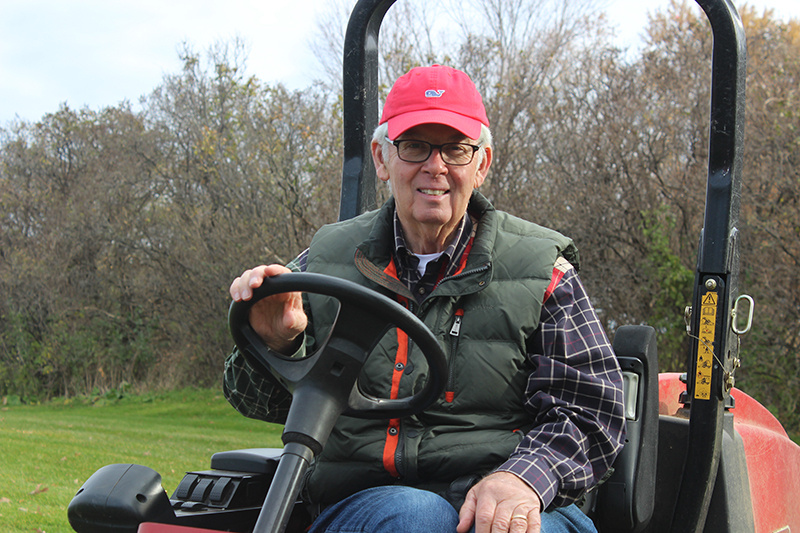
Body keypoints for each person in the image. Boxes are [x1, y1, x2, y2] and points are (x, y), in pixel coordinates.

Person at [224, 64, 626, 533]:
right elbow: (251, 399)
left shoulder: (542, 270)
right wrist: (278, 344)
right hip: (371, 502)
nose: (435, 167)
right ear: (381, 157)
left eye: (455, 149)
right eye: (414, 146)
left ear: (482, 164)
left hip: (511, 496)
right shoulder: (325, 261)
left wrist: (524, 478)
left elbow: (591, 410)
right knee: (415, 519)